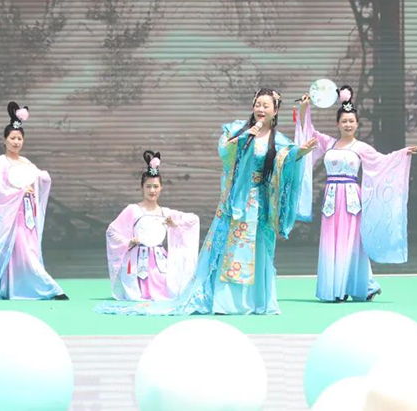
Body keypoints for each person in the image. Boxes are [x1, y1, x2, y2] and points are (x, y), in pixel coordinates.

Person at [96, 88, 317, 315]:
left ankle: (257, 301)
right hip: (235, 203)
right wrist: (243, 139)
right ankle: (225, 302)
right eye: (257, 104)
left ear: (275, 111)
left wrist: (298, 153)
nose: (260, 109)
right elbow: (224, 151)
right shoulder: (237, 129)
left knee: (259, 248)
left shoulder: (278, 141)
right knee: (230, 249)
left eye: (266, 105)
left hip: (260, 204)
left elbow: (284, 162)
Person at [295, 86, 417, 302]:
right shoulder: (329, 143)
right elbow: (308, 130)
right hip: (331, 199)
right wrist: (305, 108)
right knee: (332, 242)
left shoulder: (361, 147)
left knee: (352, 243)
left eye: (351, 121)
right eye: (344, 121)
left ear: (357, 124)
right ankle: (336, 289)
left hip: (352, 200)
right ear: (337, 123)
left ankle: (364, 286)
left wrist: (402, 154)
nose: (348, 124)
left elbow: (383, 161)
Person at [0, 102, 67, 300]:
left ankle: (24, 287)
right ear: (5, 140)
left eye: (19, 138)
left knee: (28, 253)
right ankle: (47, 288)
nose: (16, 142)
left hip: (26, 217)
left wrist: (42, 178)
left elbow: (38, 179)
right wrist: (20, 192)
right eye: (12, 138)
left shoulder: (26, 162)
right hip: (9, 217)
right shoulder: (1, 162)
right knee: (13, 253)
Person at [105, 150, 200, 301]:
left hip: (160, 262)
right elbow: (111, 231)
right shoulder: (133, 210)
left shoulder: (165, 212)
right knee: (139, 293)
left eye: (155, 186)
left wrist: (175, 225)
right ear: (142, 187)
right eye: (148, 186)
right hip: (137, 263)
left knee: (170, 291)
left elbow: (193, 220)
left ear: (161, 188)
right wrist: (128, 242)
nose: (152, 190)